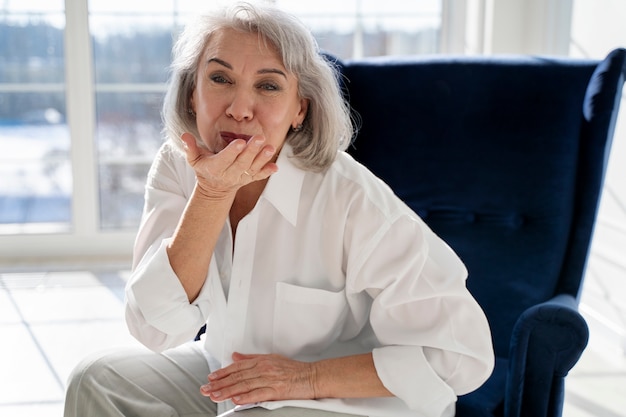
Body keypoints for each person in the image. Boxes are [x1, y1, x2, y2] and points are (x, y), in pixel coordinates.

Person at [64, 2, 494, 416]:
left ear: (299, 109)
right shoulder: (178, 166)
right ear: (192, 94)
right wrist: (211, 196)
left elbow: (462, 356)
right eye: (219, 79)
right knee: (96, 380)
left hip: (357, 400)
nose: (238, 109)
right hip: (237, 377)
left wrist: (304, 379)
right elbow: (155, 328)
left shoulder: (351, 197)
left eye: (268, 86)